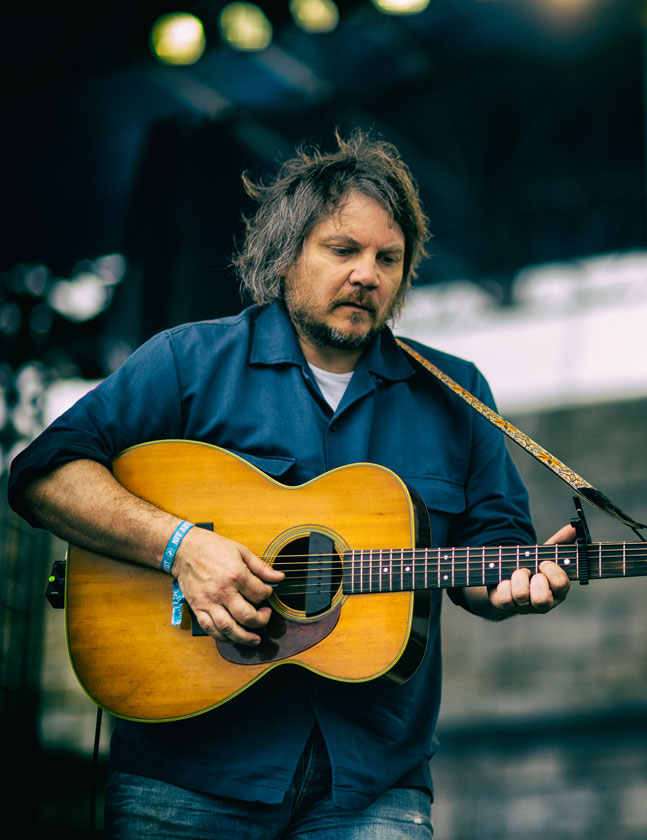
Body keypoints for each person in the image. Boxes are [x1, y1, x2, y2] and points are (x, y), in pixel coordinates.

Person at [7, 130, 573, 839]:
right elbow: (43, 475)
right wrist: (180, 545)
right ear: (285, 256)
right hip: (186, 774)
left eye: (387, 259)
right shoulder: (189, 362)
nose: (368, 274)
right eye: (344, 250)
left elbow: (488, 553)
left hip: (372, 783)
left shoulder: (458, 393)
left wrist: (510, 587)